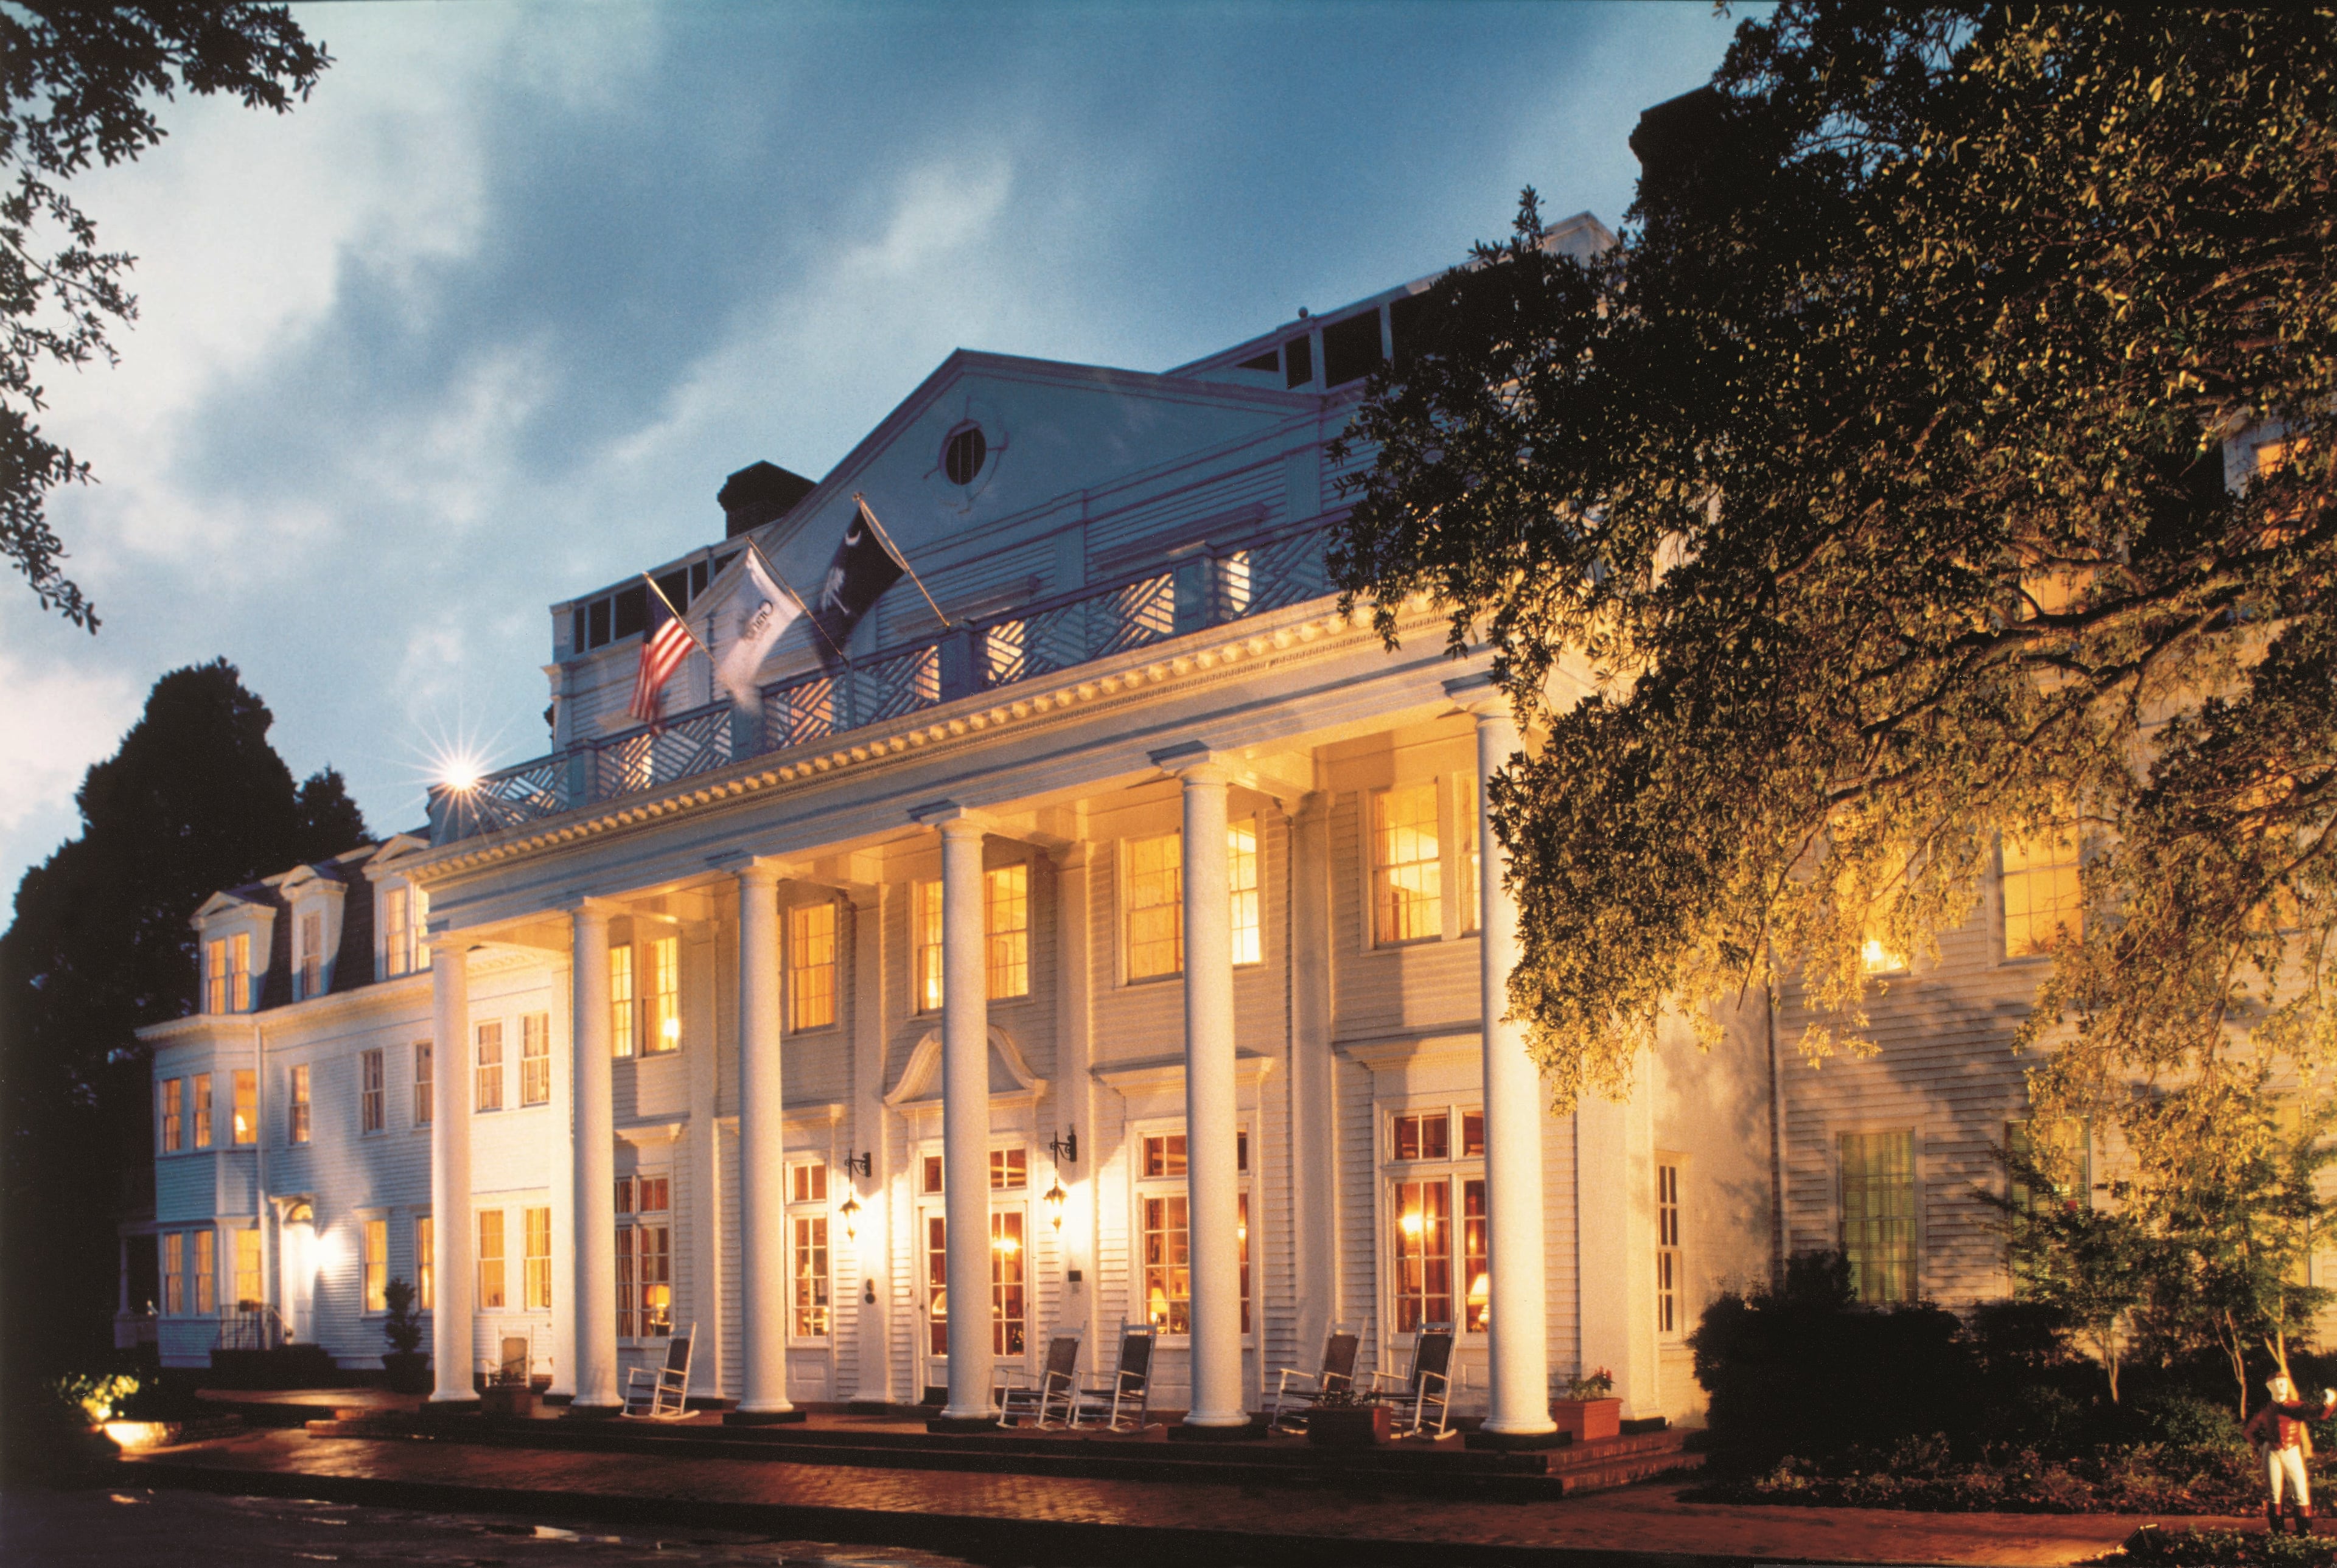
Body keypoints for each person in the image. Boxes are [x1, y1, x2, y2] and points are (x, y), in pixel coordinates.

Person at [2243, 1374, 2337, 1536]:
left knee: (2300, 1488)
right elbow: (2249, 1431)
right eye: (2277, 1384)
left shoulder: (2296, 1407)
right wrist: (2259, 1446)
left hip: (2292, 1451)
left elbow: (2319, 1414)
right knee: (2274, 1492)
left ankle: (2304, 1531)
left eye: (2284, 1384)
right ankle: (2277, 1532)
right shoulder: (2266, 1410)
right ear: (2269, 1387)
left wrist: (2328, 1403)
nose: (2282, 1387)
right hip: (2271, 1451)